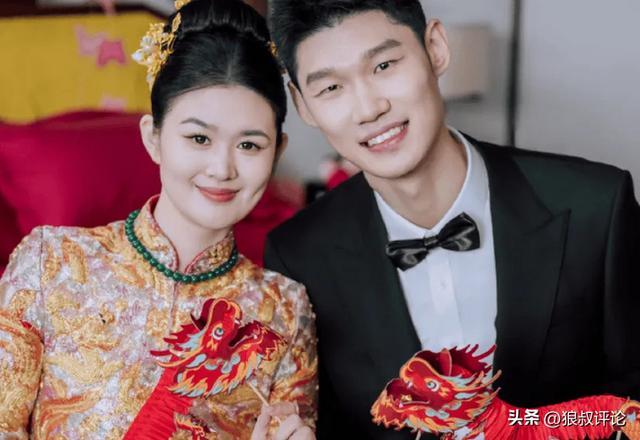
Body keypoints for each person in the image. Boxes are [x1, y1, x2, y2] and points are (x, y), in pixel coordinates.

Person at [263, 0, 640, 438]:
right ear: (302, 105)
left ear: (436, 48)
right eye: (331, 88)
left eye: (384, 65)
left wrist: (528, 426)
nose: (368, 109)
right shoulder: (298, 257)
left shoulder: (595, 207)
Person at [0, 0, 317, 438]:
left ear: (276, 152)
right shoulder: (50, 263)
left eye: (249, 145)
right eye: (199, 138)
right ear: (153, 138)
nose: (222, 168)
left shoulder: (285, 310)